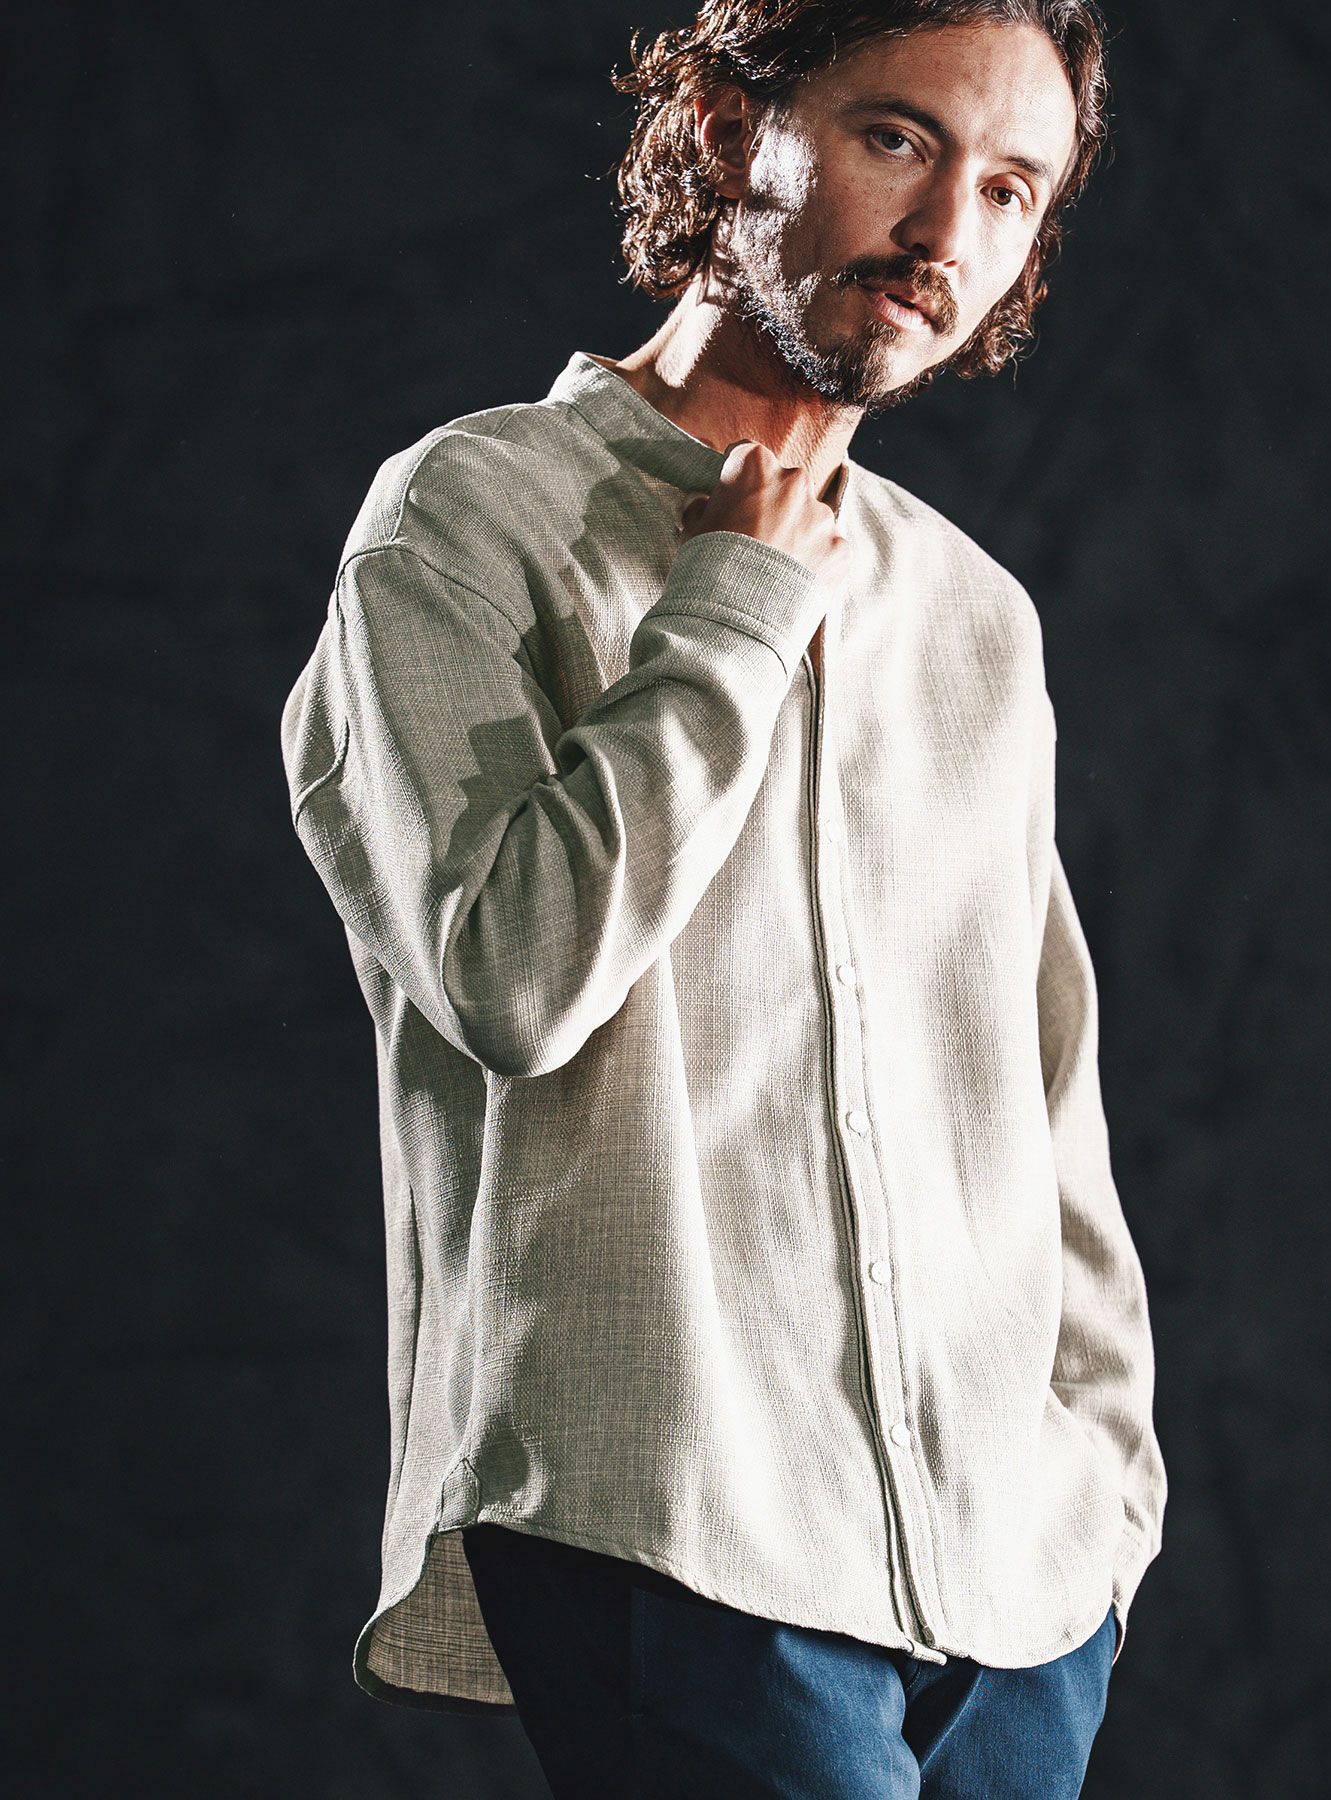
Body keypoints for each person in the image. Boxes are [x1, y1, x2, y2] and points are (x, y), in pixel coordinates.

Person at [279, 1, 1167, 1793]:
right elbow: (516, 978)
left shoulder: (977, 617)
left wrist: (1105, 1486)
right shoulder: (465, 521)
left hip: (1013, 1578)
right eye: (897, 138)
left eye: (1013, 187)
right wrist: (734, 616)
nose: (946, 233)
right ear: (719, 124)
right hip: (676, 1520)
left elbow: (1044, 1091)